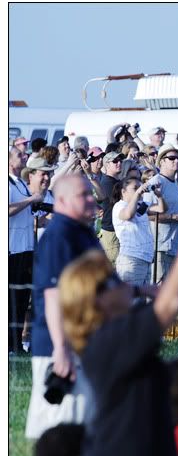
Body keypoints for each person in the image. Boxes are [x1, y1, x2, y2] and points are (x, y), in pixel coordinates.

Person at [58, 212, 178, 456]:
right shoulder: (110, 340)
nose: (120, 281)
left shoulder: (112, 332)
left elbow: (172, 296)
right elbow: (170, 304)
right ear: (95, 299)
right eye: (111, 280)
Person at [25, 175, 102, 439]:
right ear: (61, 200)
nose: (92, 199)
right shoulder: (59, 235)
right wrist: (60, 349)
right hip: (60, 347)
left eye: (91, 194)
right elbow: (53, 295)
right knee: (62, 431)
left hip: (85, 341)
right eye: (84, 195)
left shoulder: (83, 231)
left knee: (85, 424)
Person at [9, 147, 44, 353]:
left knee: (22, 298)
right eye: (20, 155)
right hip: (11, 249)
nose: (25, 157)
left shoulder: (20, 182)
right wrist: (31, 199)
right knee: (11, 298)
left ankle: (15, 343)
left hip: (25, 247)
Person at [112, 177, 166, 286]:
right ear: (123, 191)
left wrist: (159, 195)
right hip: (131, 259)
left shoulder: (139, 205)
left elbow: (161, 209)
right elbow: (128, 215)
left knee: (142, 301)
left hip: (145, 258)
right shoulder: (119, 205)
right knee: (131, 300)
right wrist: (138, 193)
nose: (139, 190)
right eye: (135, 188)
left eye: (140, 187)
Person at [149, 145, 178, 282]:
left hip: (173, 247)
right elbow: (146, 214)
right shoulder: (156, 182)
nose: (176, 160)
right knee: (159, 294)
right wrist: (175, 217)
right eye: (171, 158)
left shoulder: (173, 183)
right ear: (162, 162)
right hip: (160, 248)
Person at [97, 151, 125, 265]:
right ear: (107, 164)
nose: (119, 163)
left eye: (120, 161)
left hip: (117, 231)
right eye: (115, 161)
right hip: (110, 232)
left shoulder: (117, 182)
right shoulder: (107, 183)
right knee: (113, 268)